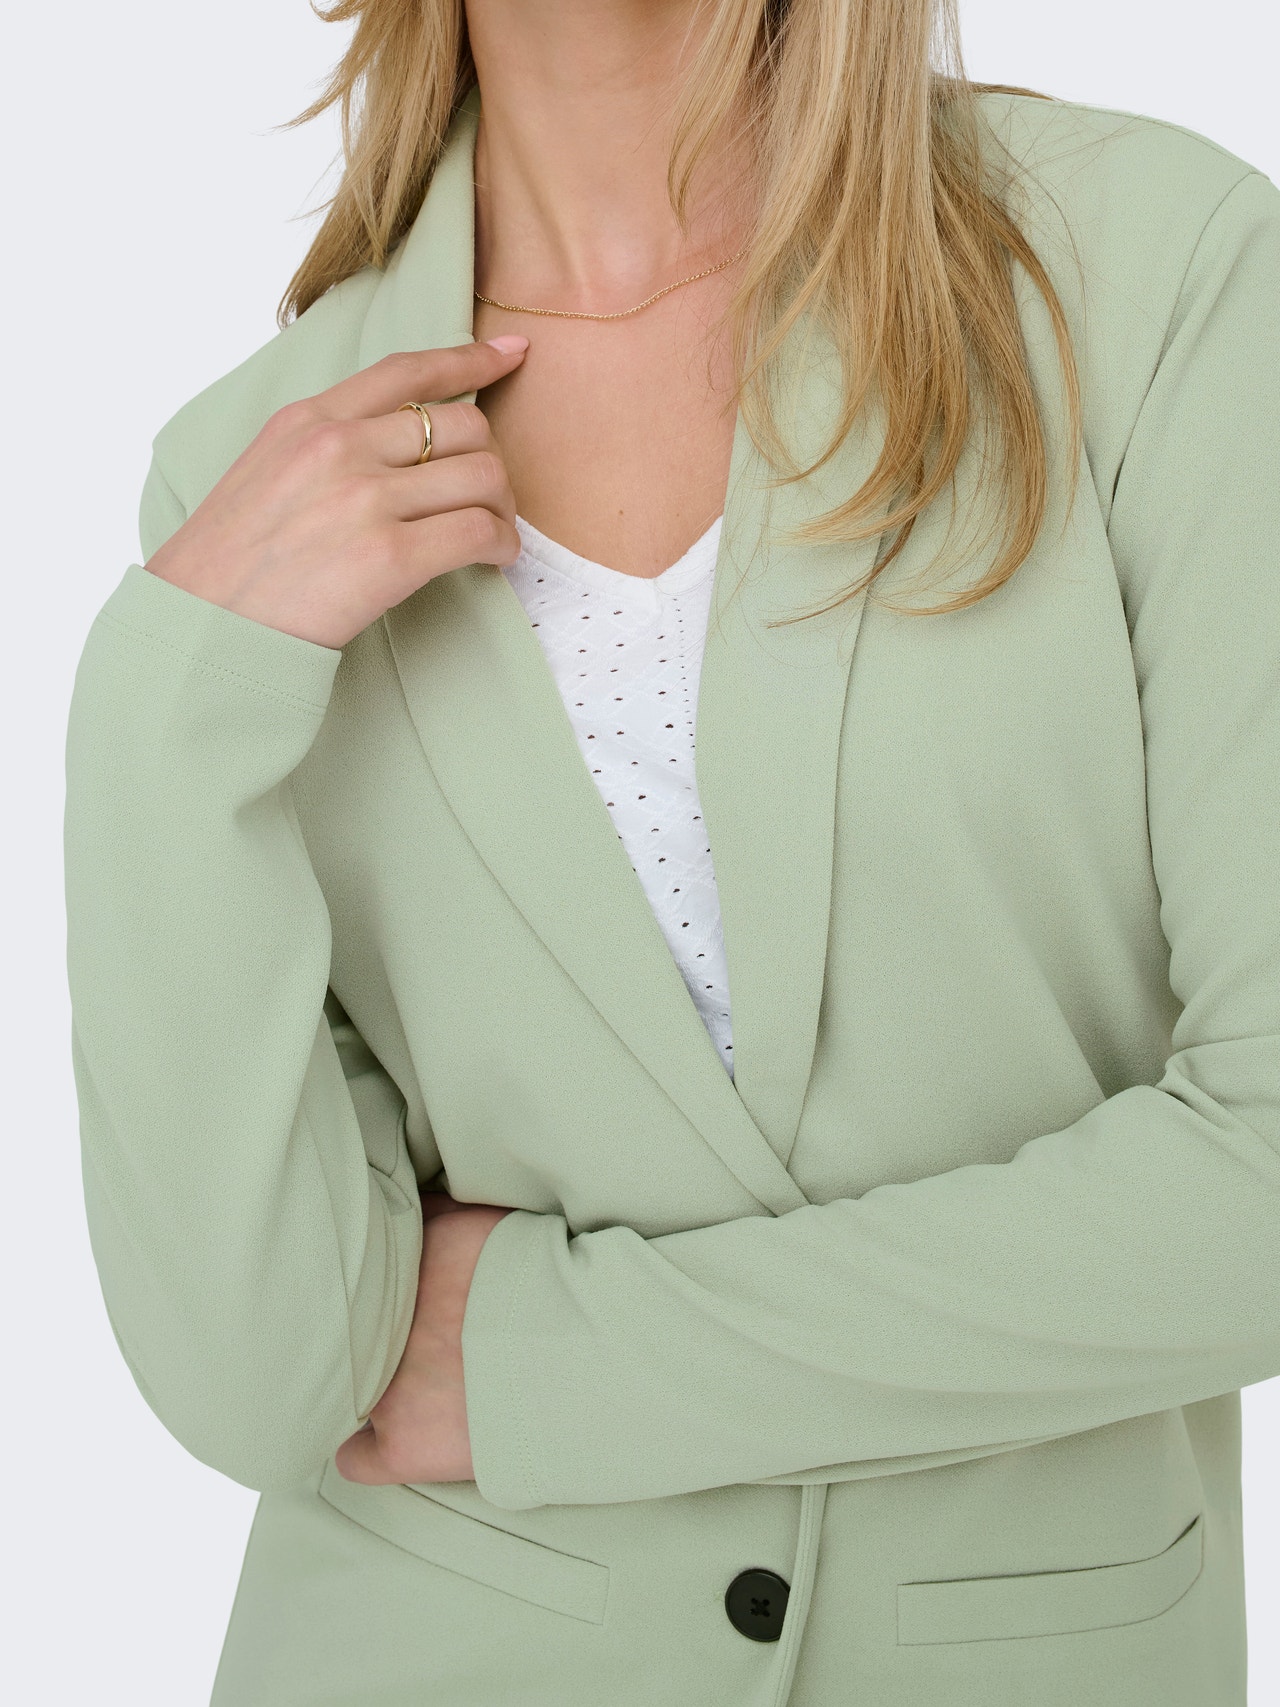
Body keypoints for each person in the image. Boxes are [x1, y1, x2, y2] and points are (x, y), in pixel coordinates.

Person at [63, 0, 1280, 1702]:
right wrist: (164, 689)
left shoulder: (1152, 278)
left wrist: (545, 1364)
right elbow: (262, 1379)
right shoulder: (250, 481)